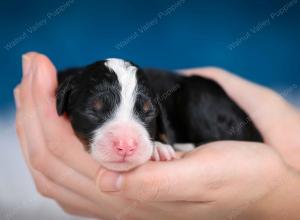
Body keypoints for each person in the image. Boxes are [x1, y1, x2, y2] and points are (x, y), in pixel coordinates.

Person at [14, 52, 300, 220]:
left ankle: (203, 144)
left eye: (144, 112)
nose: (126, 143)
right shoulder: (66, 86)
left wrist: (280, 196)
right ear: (65, 99)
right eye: (96, 110)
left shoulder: (175, 97)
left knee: (199, 93)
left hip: (212, 116)